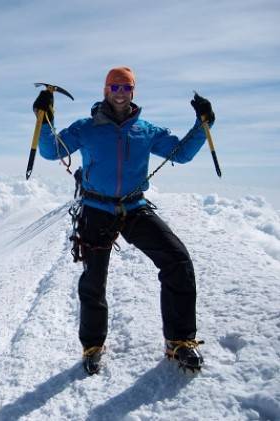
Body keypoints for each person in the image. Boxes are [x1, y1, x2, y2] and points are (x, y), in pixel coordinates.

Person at [33, 66, 214, 375]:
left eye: (125, 88)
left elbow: (180, 154)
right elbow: (51, 151)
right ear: (106, 91)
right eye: (114, 88)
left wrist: (203, 125)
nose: (120, 93)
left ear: (133, 92)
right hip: (96, 207)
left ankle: (180, 341)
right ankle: (92, 345)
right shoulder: (85, 128)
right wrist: (44, 118)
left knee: (178, 260)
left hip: (134, 207)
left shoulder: (146, 130)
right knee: (93, 280)